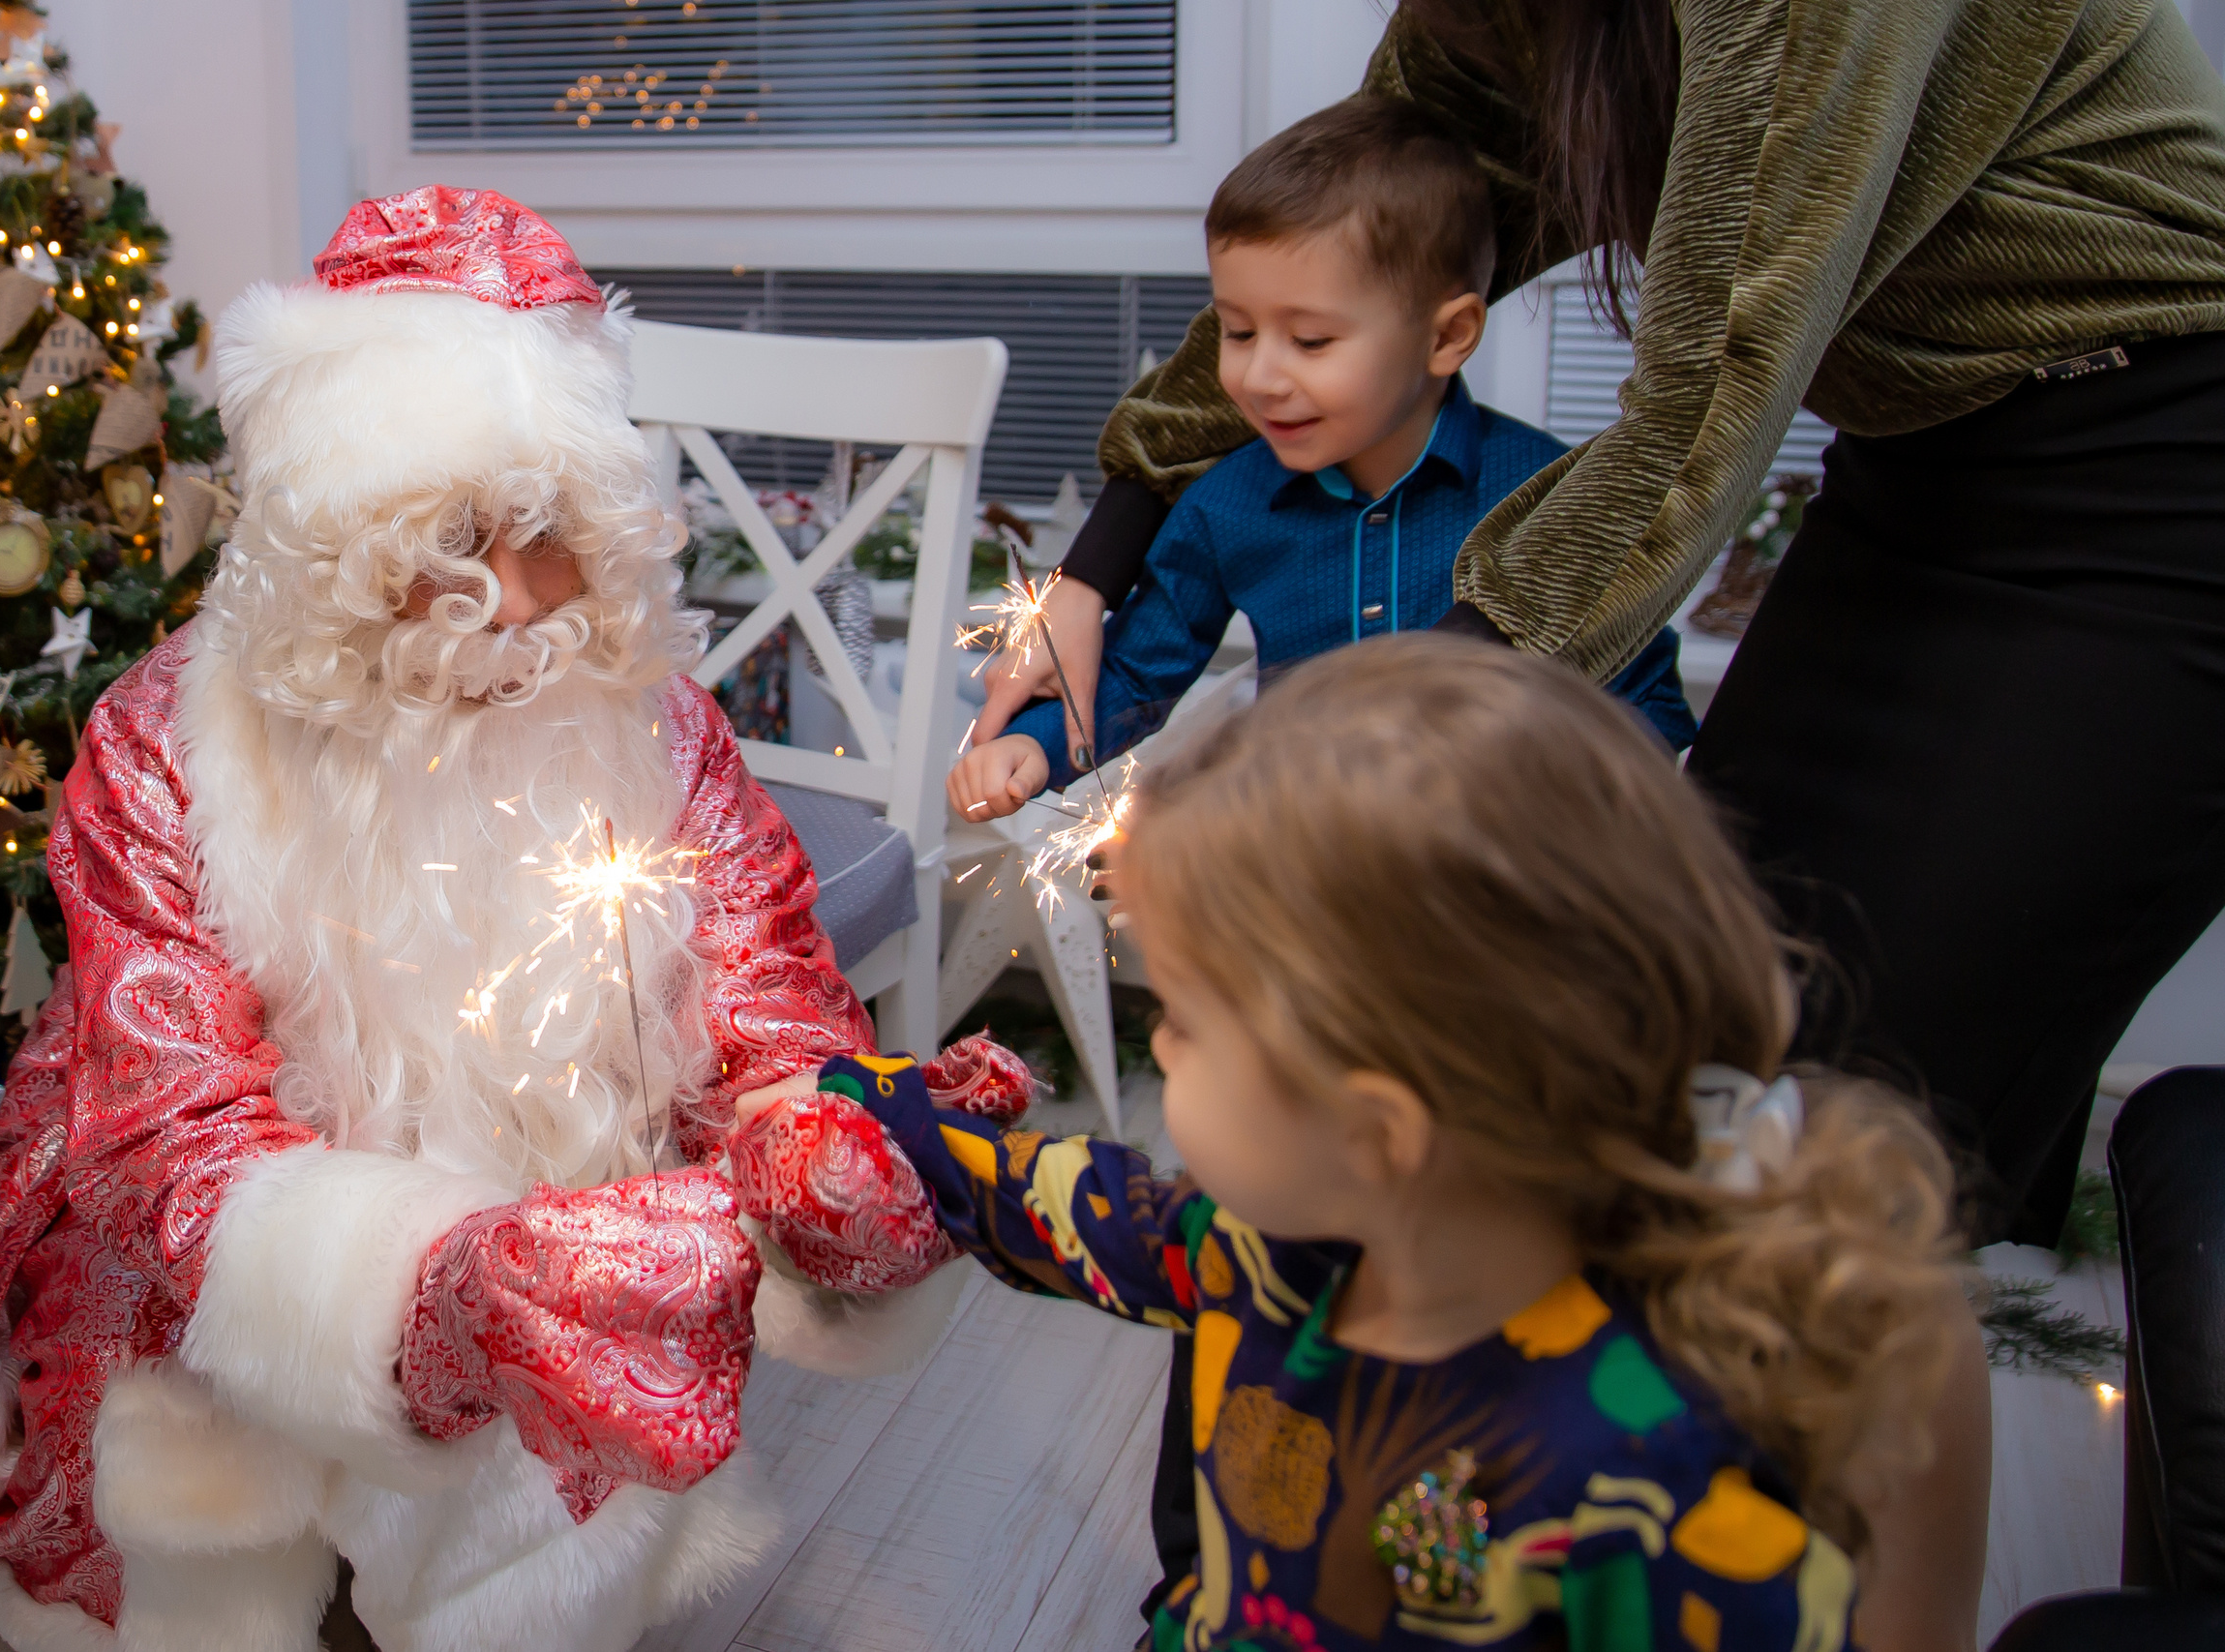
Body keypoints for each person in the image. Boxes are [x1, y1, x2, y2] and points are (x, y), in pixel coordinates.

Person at [0, 187, 1029, 1652]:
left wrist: (814, 1131)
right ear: (332, 541)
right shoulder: (170, 744)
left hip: (559, 1216)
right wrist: (426, 1287)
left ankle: (476, 1548)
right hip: (225, 1223)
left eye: (551, 536)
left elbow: (762, 975)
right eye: (448, 541)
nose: (510, 602)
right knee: (187, 1394)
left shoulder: (659, 730)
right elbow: (170, 1127)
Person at [975, 0, 2225, 1255]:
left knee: (1846, 1150)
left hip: (2155, 484)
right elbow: (1377, 211)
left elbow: (1704, 394)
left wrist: (1357, 741)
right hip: (1915, 462)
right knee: (1697, 1038)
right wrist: (1100, 558)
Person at [744, 635, 1985, 1651]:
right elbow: (1052, 1200)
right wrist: (858, 1094)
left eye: (1185, 1017)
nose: (1161, 1050)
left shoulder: (1640, 1495)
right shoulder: (1260, 1247)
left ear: (1376, 1127)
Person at [950, 100, 1692, 826]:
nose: (1260, 377)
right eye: (1237, 333)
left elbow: (1644, 705)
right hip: (1300, 873)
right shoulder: (1224, 504)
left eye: (1310, 342)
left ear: (1448, 336)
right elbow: (1136, 671)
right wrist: (1032, 746)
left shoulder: (1551, 498)